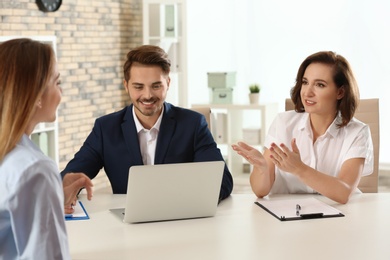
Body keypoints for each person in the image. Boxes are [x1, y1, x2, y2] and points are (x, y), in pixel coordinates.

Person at [61, 45, 233, 206]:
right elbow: (71, 178)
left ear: (168, 83)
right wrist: (62, 193)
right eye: (138, 87)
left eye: (156, 86)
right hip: (127, 225)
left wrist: (189, 201)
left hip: (180, 219)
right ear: (126, 86)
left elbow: (222, 180)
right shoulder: (106, 128)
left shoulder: (193, 124)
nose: (147, 95)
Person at [232, 51, 373, 204]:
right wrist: (262, 168)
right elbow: (260, 191)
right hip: (287, 216)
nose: (307, 92)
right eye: (305, 82)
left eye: (320, 85)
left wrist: (299, 168)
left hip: (339, 215)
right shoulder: (283, 122)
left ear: (340, 92)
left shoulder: (358, 132)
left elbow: (343, 192)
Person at [0, 38, 92, 259]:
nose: (61, 93)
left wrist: (52, 196)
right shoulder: (35, 169)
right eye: (57, 82)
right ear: (37, 94)